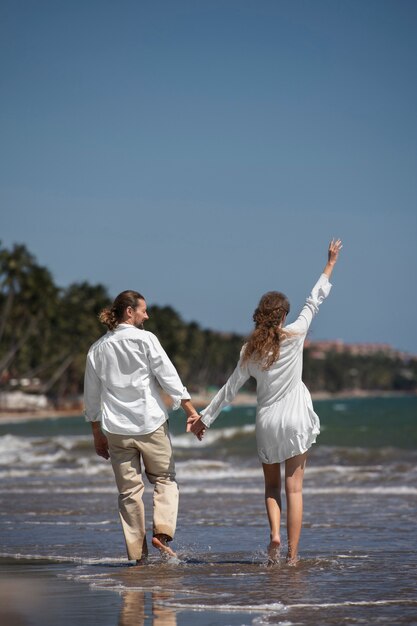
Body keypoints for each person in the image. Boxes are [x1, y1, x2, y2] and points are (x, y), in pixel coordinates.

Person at [188, 239, 343, 565]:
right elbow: (314, 301)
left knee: (272, 488)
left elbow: (229, 390)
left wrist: (204, 419)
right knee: (295, 490)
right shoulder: (297, 333)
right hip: (296, 419)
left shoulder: (250, 351)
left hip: (268, 423)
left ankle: (273, 534)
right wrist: (329, 264)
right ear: (283, 315)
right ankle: (292, 556)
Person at [84, 290, 199, 563]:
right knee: (164, 479)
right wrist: (191, 412)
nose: (146, 315)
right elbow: (169, 377)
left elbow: (91, 397)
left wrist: (97, 435)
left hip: (116, 430)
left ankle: (137, 554)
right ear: (129, 312)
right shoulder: (147, 340)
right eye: (143, 310)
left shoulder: (97, 348)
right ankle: (163, 531)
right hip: (150, 424)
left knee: (128, 493)